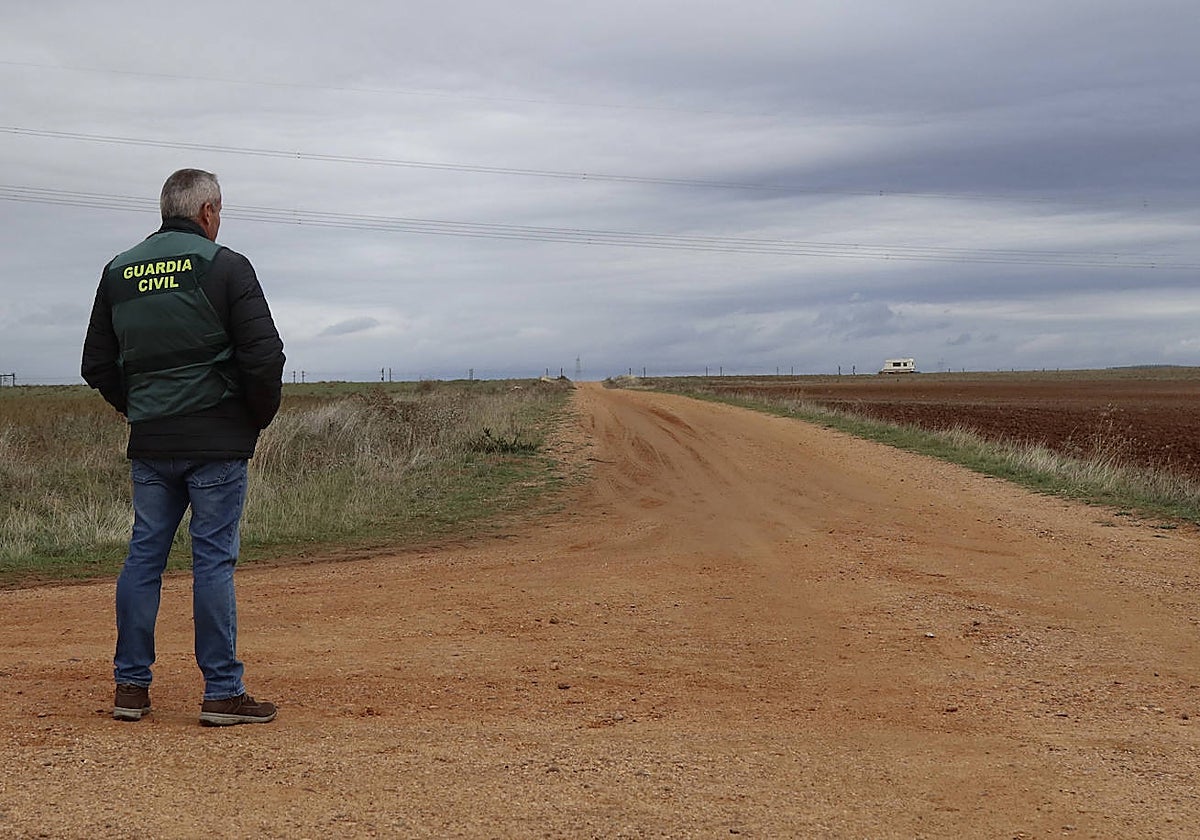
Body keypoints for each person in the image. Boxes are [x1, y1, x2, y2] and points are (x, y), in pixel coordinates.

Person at [82, 169, 286, 726]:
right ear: (207, 213)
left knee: (144, 557)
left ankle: (131, 689)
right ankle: (221, 692)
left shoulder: (118, 271)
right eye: (219, 211)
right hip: (218, 441)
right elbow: (264, 356)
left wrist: (136, 405)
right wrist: (253, 419)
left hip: (151, 441)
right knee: (212, 562)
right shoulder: (226, 267)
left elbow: (96, 363)